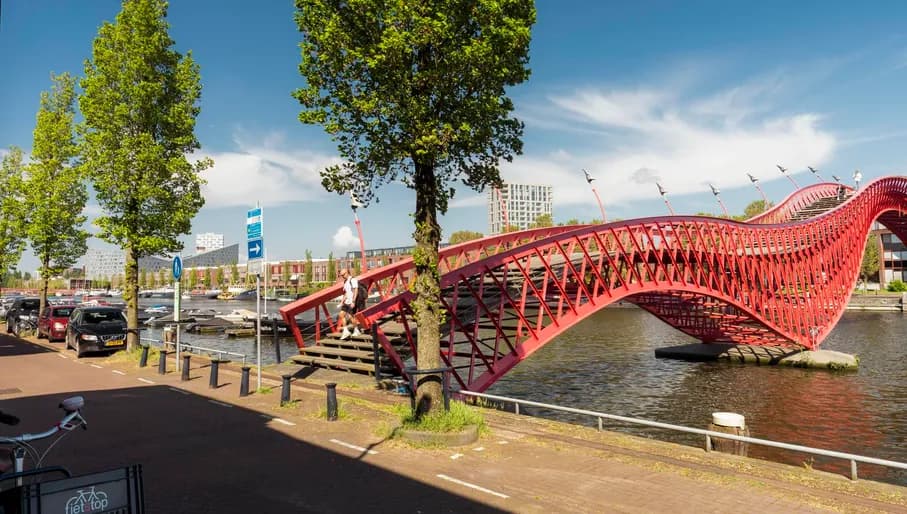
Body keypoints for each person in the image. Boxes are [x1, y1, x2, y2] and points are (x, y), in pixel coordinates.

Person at [338, 268, 363, 340]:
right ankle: (346, 331)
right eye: (341, 275)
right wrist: (342, 301)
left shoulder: (353, 280)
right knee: (341, 314)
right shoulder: (345, 281)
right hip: (347, 302)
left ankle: (356, 330)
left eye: (343, 274)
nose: (342, 276)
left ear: (347, 273)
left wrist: (353, 301)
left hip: (352, 301)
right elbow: (346, 292)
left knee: (350, 317)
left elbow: (356, 290)